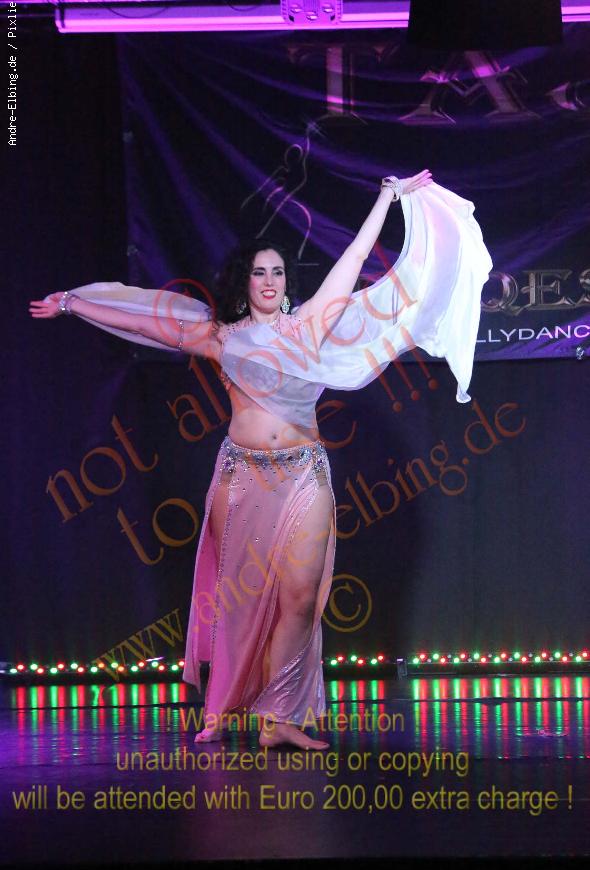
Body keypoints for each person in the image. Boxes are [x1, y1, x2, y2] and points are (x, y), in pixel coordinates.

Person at [29, 171, 492, 750]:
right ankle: (222, 707)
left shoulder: (311, 326)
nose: (270, 281)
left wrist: (386, 198)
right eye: (259, 272)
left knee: (300, 597)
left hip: (305, 476)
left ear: (287, 282)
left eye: (277, 272)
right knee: (238, 598)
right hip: (241, 477)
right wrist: (73, 304)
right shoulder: (220, 336)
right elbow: (144, 320)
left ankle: (280, 718)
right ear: (243, 281)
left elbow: (353, 260)